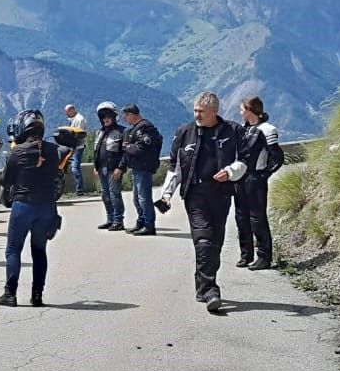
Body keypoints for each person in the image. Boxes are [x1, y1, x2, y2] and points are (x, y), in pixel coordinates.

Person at [160, 93, 249, 314]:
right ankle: (211, 290)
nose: (196, 115)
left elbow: (245, 161)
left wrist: (229, 172)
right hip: (195, 194)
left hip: (221, 194)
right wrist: (166, 194)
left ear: (214, 112)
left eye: (201, 111)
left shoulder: (233, 131)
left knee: (215, 242)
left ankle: (202, 283)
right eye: (195, 110)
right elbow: (175, 167)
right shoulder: (185, 132)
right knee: (203, 240)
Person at [0, 109, 61, 308]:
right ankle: (37, 295)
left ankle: (10, 294)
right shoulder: (53, 150)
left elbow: (4, 181)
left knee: (13, 250)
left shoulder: (19, 151)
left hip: (23, 205)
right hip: (47, 207)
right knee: (39, 251)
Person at [235, 96, 285, 270]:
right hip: (240, 179)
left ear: (249, 110)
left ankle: (264, 257)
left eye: (241, 109)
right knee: (241, 217)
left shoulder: (267, 130)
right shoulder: (242, 129)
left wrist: (264, 174)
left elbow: (278, 157)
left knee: (257, 218)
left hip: (255, 178)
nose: (240, 112)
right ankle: (246, 254)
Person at [119, 104, 163, 236]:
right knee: (137, 198)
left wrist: (127, 147)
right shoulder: (135, 129)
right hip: (136, 167)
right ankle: (141, 222)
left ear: (131, 114)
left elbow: (140, 149)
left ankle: (149, 225)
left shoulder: (145, 128)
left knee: (144, 198)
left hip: (144, 167)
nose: (124, 119)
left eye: (126, 116)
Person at [93, 102, 126, 230]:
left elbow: (125, 153)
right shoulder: (99, 132)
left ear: (114, 117)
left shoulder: (122, 132)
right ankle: (110, 219)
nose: (105, 118)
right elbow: (96, 151)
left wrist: (120, 168)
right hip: (101, 168)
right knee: (105, 195)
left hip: (114, 169)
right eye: (103, 116)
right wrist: (96, 166)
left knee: (114, 194)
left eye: (108, 116)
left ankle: (118, 221)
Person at [62, 104, 88, 195]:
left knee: (75, 168)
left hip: (77, 147)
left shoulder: (79, 119)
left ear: (72, 110)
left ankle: (79, 189)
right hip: (72, 146)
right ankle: (77, 188)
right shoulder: (73, 119)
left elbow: (79, 135)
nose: (66, 114)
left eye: (67, 112)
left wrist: (73, 146)